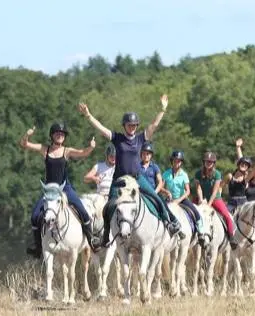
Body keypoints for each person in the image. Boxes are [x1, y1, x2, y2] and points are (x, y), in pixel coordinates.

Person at [77, 95, 182, 252]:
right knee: (108, 207)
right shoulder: (117, 138)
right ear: (124, 125)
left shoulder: (141, 138)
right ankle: (106, 236)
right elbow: (100, 128)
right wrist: (88, 115)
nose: (132, 127)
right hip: (119, 180)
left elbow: (154, 125)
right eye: (129, 124)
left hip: (137, 178)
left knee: (155, 198)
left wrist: (163, 109)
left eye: (134, 125)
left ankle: (171, 222)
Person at [19, 122, 96, 258]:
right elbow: (24, 144)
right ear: (52, 136)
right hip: (49, 191)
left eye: (62, 134)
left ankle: (92, 241)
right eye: (57, 133)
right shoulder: (45, 149)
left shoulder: (67, 151)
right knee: (35, 216)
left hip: (65, 188)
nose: (60, 135)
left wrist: (91, 147)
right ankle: (38, 248)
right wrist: (27, 135)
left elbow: (83, 153)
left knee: (83, 211)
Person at [193, 151, 239, 248]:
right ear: (204, 162)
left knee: (226, 215)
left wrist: (209, 204)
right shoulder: (198, 173)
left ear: (214, 163)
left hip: (215, 199)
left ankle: (231, 236)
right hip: (202, 197)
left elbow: (215, 191)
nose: (208, 163)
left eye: (210, 162)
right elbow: (198, 188)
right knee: (190, 211)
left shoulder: (217, 174)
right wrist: (201, 200)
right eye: (207, 161)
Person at [161, 150, 207, 243]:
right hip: (169, 199)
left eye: (179, 161)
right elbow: (161, 187)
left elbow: (188, 191)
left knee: (195, 212)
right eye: (175, 161)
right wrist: (166, 192)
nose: (176, 163)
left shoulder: (184, 175)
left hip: (182, 199)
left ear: (181, 162)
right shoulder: (166, 173)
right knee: (160, 210)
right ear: (172, 161)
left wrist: (178, 200)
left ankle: (200, 232)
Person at [224, 138, 255, 213]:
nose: (244, 165)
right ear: (238, 164)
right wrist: (238, 147)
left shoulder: (246, 178)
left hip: (243, 203)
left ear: (247, 168)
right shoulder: (230, 176)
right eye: (242, 164)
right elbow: (241, 159)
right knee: (225, 215)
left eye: (246, 165)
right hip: (231, 203)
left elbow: (254, 169)